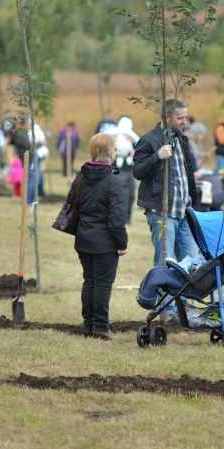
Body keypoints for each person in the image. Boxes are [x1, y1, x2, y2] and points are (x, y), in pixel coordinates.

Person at [133, 99, 200, 325]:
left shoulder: (182, 139)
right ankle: (168, 311)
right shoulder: (149, 141)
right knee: (165, 263)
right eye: (180, 118)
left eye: (185, 117)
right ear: (167, 118)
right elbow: (138, 171)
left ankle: (187, 310)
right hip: (162, 214)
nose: (185, 121)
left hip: (184, 213)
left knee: (191, 263)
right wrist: (157, 156)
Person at [73, 133, 128, 339]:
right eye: (114, 149)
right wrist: (122, 243)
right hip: (105, 241)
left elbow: (72, 204)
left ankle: (88, 325)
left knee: (89, 282)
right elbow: (117, 218)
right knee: (102, 284)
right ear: (110, 154)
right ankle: (100, 326)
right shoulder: (115, 182)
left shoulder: (80, 176)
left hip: (84, 237)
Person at [106, 116, 140, 224]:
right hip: (118, 169)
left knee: (131, 194)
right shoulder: (114, 135)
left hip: (129, 169)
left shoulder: (132, 136)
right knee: (119, 194)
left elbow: (139, 144)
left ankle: (127, 218)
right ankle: (117, 217)